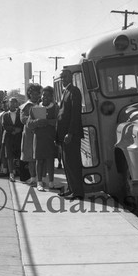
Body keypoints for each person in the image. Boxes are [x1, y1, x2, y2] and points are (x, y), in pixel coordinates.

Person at [56, 69, 84, 199]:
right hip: (63, 135)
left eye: (65, 77)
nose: (63, 79)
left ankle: (78, 192)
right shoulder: (65, 91)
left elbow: (75, 115)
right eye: (62, 77)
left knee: (73, 163)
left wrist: (70, 133)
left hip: (70, 135)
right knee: (67, 164)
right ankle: (71, 188)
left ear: (71, 77)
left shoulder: (74, 91)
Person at [28, 86, 58, 191]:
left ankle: (51, 182)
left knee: (50, 160)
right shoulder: (35, 108)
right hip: (39, 138)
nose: (45, 97)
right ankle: (39, 182)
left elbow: (58, 121)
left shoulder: (55, 108)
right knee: (39, 160)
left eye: (48, 95)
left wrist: (48, 122)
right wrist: (37, 122)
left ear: (51, 97)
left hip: (50, 138)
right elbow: (29, 124)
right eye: (44, 95)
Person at [20, 83, 42, 186]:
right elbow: (23, 119)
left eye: (37, 93)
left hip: (40, 133)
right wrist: (34, 118)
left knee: (40, 157)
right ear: (29, 94)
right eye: (32, 93)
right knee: (31, 157)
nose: (35, 95)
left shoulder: (42, 104)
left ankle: (40, 179)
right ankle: (33, 178)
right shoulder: (26, 106)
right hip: (29, 134)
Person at [1, 97, 23, 182]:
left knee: (19, 155)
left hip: (18, 137)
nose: (13, 104)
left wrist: (18, 130)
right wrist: (13, 129)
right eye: (11, 103)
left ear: (17, 104)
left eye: (14, 102)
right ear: (8, 104)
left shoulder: (20, 113)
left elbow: (22, 124)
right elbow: (5, 126)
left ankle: (21, 173)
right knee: (9, 156)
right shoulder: (5, 115)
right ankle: (11, 174)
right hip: (9, 137)